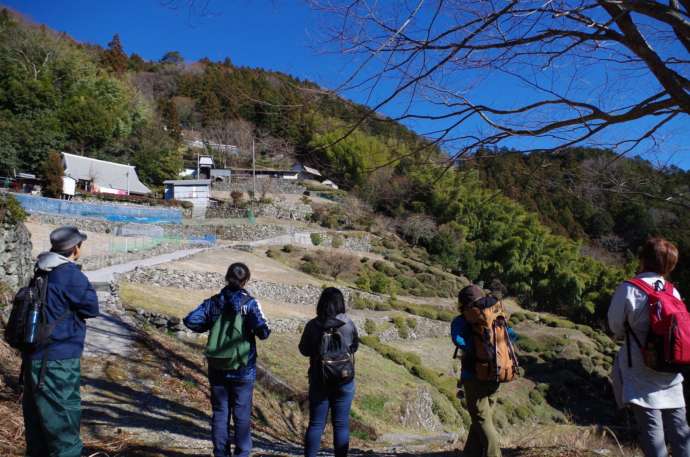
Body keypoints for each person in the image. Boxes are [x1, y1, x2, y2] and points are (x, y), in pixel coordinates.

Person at [609, 237, 690, 457]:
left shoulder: (629, 289)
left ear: (643, 259)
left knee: (652, 428)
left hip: (640, 365)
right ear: (669, 265)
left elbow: (615, 326)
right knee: (680, 428)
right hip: (672, 365)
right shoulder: (672, 292)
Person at [23, 226, 100, 457]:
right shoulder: (69, 274)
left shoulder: (41, 269)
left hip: (34, 357)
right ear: (75, 248)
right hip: (58, 363)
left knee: (37, 430)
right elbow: (92, 307)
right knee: (63, 428)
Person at [183, 262, 270, 457]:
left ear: (226, 277)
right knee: (242, 414)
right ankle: (242, 453)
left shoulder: (213, 302)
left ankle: (221, 453)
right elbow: (264, 333)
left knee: (220, 413)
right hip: (243, 367)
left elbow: (190, 320)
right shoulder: (249, 304)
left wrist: (210, 327)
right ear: (246, 280)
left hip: (217, 365)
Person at [451, 284, 516, 457]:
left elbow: (457, 340)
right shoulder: (494, 314)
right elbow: (513, 336)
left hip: (473, 375)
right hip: (496, 374)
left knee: (481, 421)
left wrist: (475, 349)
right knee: (481, 420)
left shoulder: (462, 319)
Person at [299, 287, 359, 457]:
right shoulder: (348, 324)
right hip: (344, 378)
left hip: (319, 379)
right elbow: (354, 347)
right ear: (341, 303)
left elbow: (303, 350)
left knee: (316, 424)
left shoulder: (313, 325)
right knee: (341, 424)